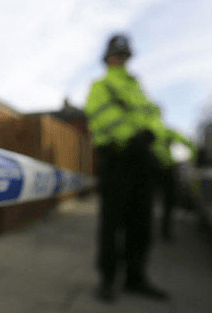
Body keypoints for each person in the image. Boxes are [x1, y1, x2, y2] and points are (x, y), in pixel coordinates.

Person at [84, 34, 170, 302]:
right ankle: (107, 280)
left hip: (143, 162)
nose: (119, 59)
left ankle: (135, 277)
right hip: (117, 159)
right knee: (111, 224)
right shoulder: (101, 85)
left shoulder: (138, 87)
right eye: (115, 54)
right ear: (108, 57)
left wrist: (151, 135)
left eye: (123, 55)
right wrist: (129, 137)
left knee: (141, 224)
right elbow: (99, 117)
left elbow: (154, 116)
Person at [152, 127, 197, 241]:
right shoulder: (167, 131)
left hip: (157, 169)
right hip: (165, 170)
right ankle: (165, 232)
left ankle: (163, 232)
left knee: (160, 203)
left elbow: (187, 142)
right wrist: (193, 158)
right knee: (167, 204)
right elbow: (188, 143)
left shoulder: (157, 130)